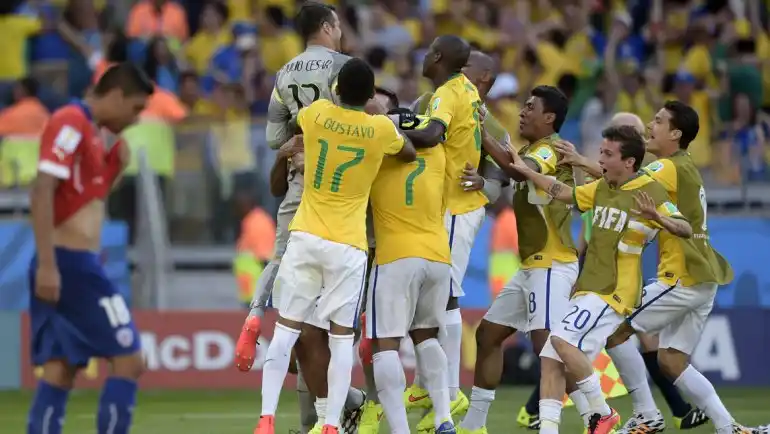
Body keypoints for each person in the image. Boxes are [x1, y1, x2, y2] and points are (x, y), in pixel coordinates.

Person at [556, 102, 763, 434]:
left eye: (658, 121)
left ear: (676, 134)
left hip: (680, 275)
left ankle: (646, 414)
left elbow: (624, 183)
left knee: (614, 330)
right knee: (671, 360)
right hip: (703, 277)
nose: (650, 125)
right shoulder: (683, 166)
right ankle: (730, 427)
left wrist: (581, 160)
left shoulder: (666, 167)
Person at [256, 57, 417, 434]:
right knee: (341, 338)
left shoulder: (315, 115)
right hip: (348, 245)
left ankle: (265, 418)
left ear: (338, 89)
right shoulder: (378, 128)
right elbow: (407, 151)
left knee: (286, 330)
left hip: (306, 234)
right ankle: (331, 424)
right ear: (369, 95)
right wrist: (380, 117)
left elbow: (295, 125)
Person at [509, 124, 695, 434]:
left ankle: (602, 410)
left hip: (614, 291)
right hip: (589, 287)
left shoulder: (650, 190)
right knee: (552, 359)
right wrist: (525, 171)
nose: (602, 160)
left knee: (561, 340)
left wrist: (658, 218)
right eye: (601, 152)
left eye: (608, 154)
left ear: (629, 162)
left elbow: (685, 228)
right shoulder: (602, 188)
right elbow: (563, 191)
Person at [233, 3, 367, 433]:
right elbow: (362, 123)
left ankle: (256, 312)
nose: (342, 31)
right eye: (339, 25)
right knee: (337, 327)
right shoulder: (346, 67)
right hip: (343, 196)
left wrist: (297, 139)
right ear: (327, 27)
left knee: (296, 310)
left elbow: (275, 136)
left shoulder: (284, 74)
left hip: (298, 183)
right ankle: (347, 413)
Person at [27, 63, 153, 434]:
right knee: (129, 359)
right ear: (115, 95)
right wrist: (49, 265)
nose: (135, 119)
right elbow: (42, 189)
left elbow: (84, 201)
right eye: (135, 109)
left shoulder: (93, 135)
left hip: (70, 262)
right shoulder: (71, 121)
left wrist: (114, 170)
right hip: (70, 264)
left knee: (61, 367)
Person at [466, 84, 578, 434]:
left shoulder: (550, 150)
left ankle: (596, 413)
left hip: (551, 265)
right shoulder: (532, 148)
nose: (523, 111)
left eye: (531, 107)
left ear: (549, 117)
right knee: (487, 335)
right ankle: (474, 425)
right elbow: (512, 171)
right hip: (532, 268)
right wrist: (483, 179)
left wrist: (478, 130)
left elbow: (517, 170)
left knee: (548, 348)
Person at [398, 34, 484, 425]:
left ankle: (448, 396)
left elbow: (433, 135)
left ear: (436, 57)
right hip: (456, 204)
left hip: (455, 204)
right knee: (440, 297)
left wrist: (387, 131)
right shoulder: (465, 89)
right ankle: (434, 390)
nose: (423, 56)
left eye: (427, 51)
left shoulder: (449, 93)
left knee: (445, 297)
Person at [364, 86, 457, 434]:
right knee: (426, 337)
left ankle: (400, 430)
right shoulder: (437, 145)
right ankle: (445, 418)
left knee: (385, 344)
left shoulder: (378, 144)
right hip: (437, 255)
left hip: (395, 255)